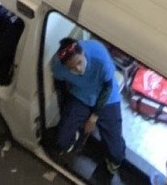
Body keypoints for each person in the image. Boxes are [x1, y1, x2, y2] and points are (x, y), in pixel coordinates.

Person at [51, 38, 125, 177]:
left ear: (83, 53)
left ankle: (111, 164)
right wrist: (66, 112)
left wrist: (93, 118)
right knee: (61, 142)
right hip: (81, 95)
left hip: (107, 98)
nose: (78, 69)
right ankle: (76, 134)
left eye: (79, 62)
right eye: (72, 67)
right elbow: (60, 87)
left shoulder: (100, 58)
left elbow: (107, 87)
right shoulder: (59, 69)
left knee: (116, 154)